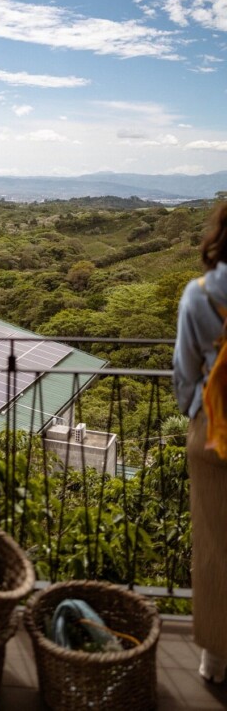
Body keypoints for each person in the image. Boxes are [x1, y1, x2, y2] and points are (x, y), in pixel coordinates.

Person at [173, 201, 227, 684]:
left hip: (213, 431)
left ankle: (215, 659)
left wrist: (195, 411)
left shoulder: (200, 295)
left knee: (213, 544)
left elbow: (185, 374)